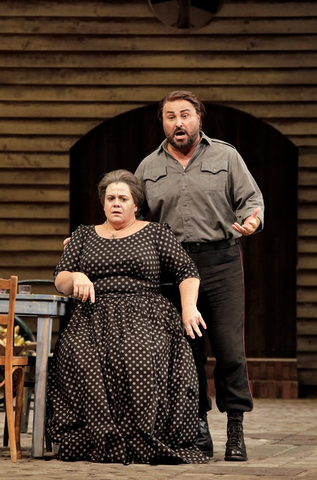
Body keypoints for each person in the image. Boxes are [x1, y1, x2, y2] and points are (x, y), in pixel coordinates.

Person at [46, 169, 210, 465]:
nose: (116, 203)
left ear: (136, 204)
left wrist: (188, 306)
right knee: (77, 354)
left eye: (123, 198)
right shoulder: (84, 235)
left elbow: (187, 272)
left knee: (138, 351)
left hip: (146, 313)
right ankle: (100, 434)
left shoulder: (156, 233)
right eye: (110, 198)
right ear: (103, 203)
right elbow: (60, 279)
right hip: (94, 316)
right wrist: (78, 275)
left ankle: (140, 434)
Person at [134, 90, 264, 461]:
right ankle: (198, 427)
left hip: (220, 262)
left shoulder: (226, 156)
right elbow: (132, 218)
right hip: (172, 268)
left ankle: (235, 429)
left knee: (229, 349)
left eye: (185, 115)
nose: (178, 122)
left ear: (198, 119)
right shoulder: (147, 167)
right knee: (187, 352)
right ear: (163, 122)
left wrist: (252, 220)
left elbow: (251, 200)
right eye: (170, 116)